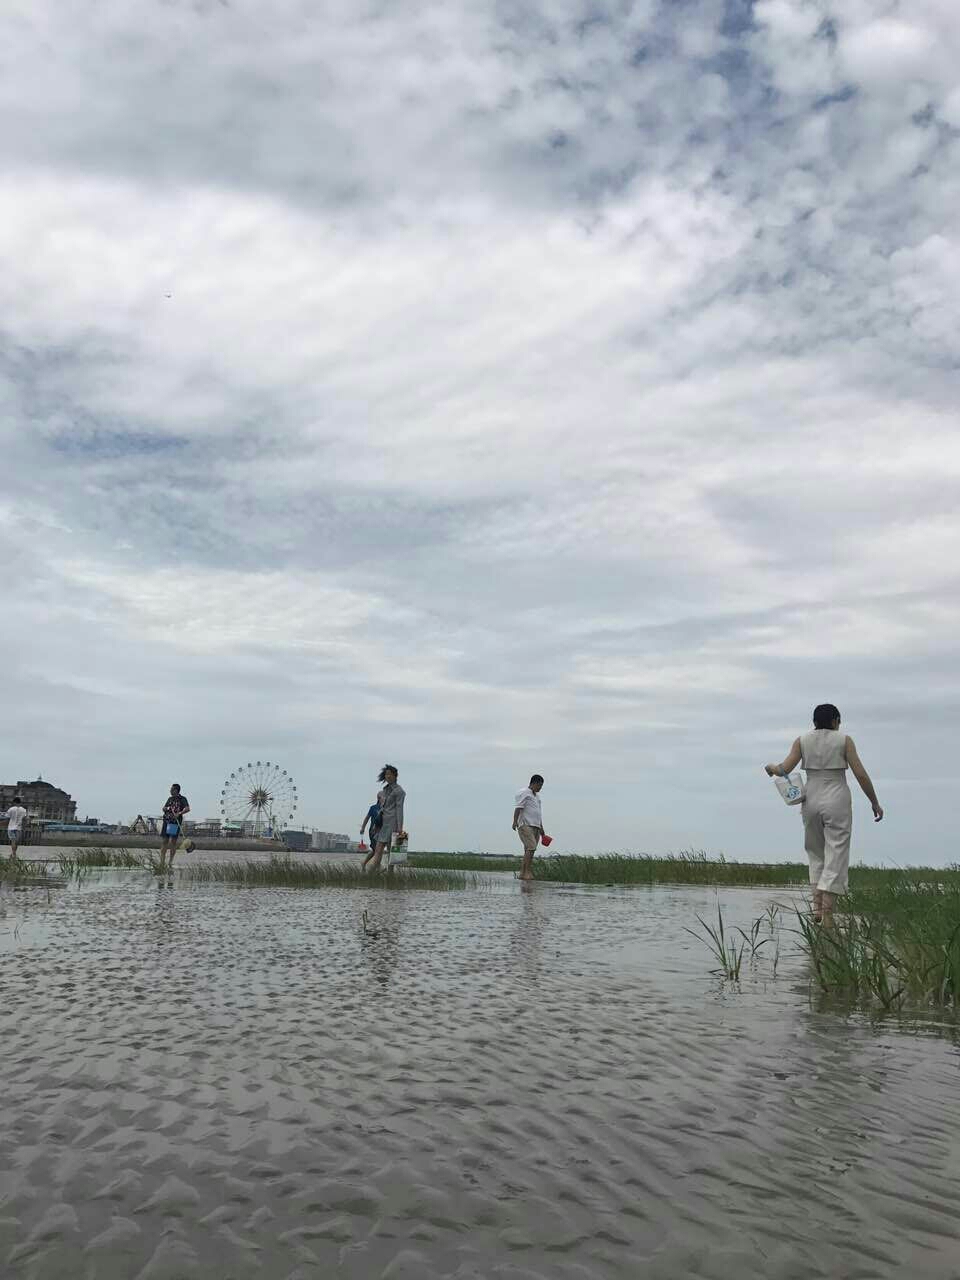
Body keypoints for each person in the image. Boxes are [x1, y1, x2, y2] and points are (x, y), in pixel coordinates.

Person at [765, 704, 883, 927]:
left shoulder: (802, 740)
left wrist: (771, 767)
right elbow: (860, 773)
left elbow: (783, 770)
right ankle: (828, 913)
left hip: (811, 797)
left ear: (814, 721)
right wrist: (874, 801)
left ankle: (816, 909)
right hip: (836, 796)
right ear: (835, 720)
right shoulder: (844, 740)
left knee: (815, 852)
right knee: (836, 851)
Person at [367, 766, 405, 873]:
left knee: (391, 852)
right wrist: (376, 823)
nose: (387, 776)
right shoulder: (385, 789)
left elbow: (400, 810)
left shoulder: (399, 791)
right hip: (383, 823)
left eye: (390, 774)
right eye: (386, 774)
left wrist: (400, 828)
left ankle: (389, 875)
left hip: (393, 824)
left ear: (395, 776)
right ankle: (370, 875)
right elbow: (383, 807)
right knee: (378, 850)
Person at [513, 774, 548, 882]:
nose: (540, 788)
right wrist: (514, 821)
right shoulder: (524, 793)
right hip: (525, 824)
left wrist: (541, 827)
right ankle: (527, 872)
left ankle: (523, 873)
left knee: (529, 850)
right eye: (539, 786)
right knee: (531, 847)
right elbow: (518, 808)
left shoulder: (537, 797)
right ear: (534, 783)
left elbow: (538, 813)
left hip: (536, 825)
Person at [159, 783, 190, 873]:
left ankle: (170, 862)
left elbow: (187, 808)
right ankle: (162, 862)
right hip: (166, 821)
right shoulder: (170, 799)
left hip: (174, 823)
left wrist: (179, 813)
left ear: (176, 790)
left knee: (173, 842)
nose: (170, 791)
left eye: (172, 789)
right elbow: (164, 807)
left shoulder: (182, 799)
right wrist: (164, 808)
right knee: (164, 841)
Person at [360, 791, 384, 870]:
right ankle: (378, 866)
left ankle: (364, 863)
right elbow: (367, 818)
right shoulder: (373, 808)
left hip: (382, 831)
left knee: (376, 850)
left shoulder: (386, 808)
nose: (384, 798)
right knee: (376, 850)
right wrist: (363, 828)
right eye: (383, 797)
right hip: (373, 831)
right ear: (378, 798)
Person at [4, 796, 27, 860]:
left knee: (13, 841)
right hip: (19, 828)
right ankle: (14, 854)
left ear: (14, 802)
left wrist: (5, 825)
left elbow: (7, 818)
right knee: (16, 842)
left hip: (11, 827)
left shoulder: (11, 809)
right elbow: (25, 819)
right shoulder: (23, 810)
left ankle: (13, 854)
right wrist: (24, 827)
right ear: (20, 802)